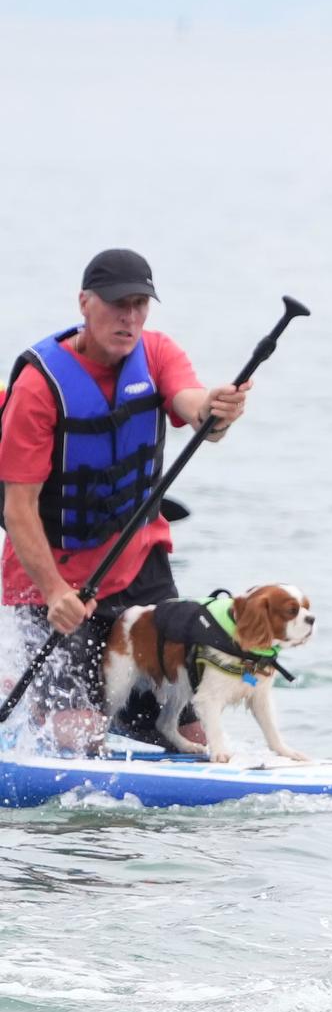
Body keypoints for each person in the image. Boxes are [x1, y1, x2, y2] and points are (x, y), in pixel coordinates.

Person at [2, 249, 251, 751]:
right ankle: (35, 703)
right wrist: (54, 592)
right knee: (81, 738)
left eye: (140, 304)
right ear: (85, 303)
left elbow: (194, 407)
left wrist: (215, 411)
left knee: (189, 728)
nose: (129, 317)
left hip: (139, 567)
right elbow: (17, 509)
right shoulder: (39, 386)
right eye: (117, 304)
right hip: (51, 581)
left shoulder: (157, 354)